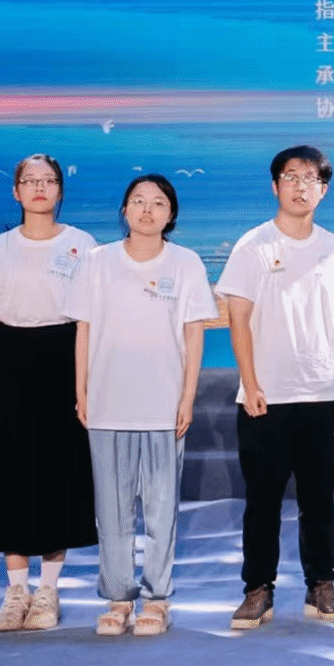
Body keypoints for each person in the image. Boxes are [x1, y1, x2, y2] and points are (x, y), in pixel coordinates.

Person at [216, 145, 334, 631]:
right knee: (262, 501)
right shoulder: (253, 245)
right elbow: (238, 318)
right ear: (275, 185)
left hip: (322, 394)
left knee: (319, 499)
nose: (301, 187)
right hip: (267, 397)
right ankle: (257, 589)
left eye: (311, 179)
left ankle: (321, 584)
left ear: (324, 190)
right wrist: (251, 383)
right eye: (291, 177)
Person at [66, 174, 217, 636]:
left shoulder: (186, 263)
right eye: (138, 201)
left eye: (158, 203)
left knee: (160, 510)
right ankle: (118, 598)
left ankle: (157, 598)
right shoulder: (97, 261)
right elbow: (84, 329)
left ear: (171, 214)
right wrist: (82, 391)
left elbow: (194, 333)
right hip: (108, 403)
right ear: (125, 210)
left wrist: (187, 397)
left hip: (162, 405)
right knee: (111, 511)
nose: (147, 210)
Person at [0, 153, 99, 635]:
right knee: (9, 472)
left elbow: (91, 318)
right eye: (30, 180)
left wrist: (86, 383)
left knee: (59, 472)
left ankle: (48, 591)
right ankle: (16, 589)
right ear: (15, 191)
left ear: (60, 190)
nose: (39, 187)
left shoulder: (83, 245)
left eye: (48, 180)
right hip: (10, 359)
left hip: (64, 355)